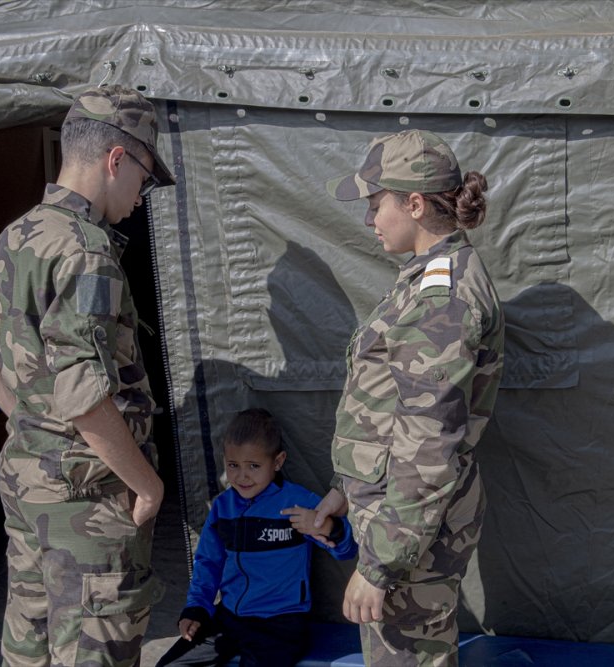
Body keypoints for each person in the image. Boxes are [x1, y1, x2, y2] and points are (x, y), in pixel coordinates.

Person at [0, 84, 175, 666]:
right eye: (145, 179)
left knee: (32, 644)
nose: (141, 197)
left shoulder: (19, 233)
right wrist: (149, 485)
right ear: (115, 159)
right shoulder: (89, 251)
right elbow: (83, 395)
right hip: (89, 493)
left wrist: (27, 418)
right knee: (93, 648)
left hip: (29, 479)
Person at [315, 129, 505, 667]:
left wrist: (380, 566)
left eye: (377, 204)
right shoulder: (425, 278)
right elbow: (386, 404)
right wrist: (345, 489)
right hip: (398, 514)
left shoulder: (442, 298)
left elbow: (428, 448)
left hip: (408, 531)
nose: (370, 219)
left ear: (414, 203)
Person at [156, 408, 357, 667]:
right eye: (233, 465)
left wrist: (325, 526)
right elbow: (207, 563)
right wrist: (197, 609)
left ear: (277, 461)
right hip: (229, 618)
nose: (242, 476)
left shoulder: (298, 503)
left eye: (253, 466)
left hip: (280, 624)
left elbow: (347, 548)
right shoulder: (222, 508)